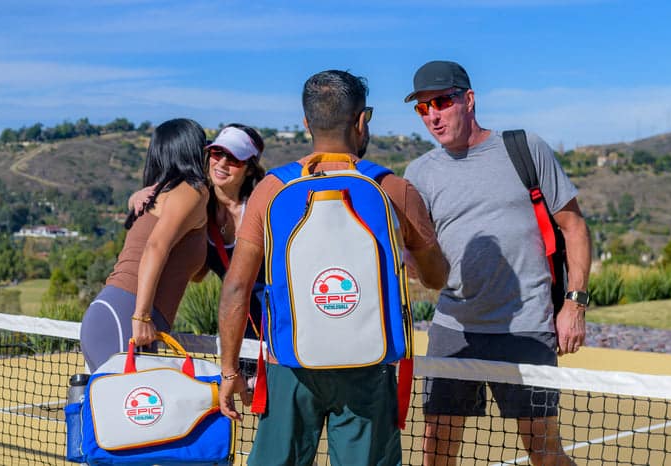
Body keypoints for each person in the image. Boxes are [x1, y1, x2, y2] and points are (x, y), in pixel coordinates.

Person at [217, 69, 450, 466]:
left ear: (307, 123)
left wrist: (227, 371)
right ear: (362, 121)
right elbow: (436, 277)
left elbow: (237, 289)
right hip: (368, 369)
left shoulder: (270, 191)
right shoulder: (394, 190)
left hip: (289, 367)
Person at [402, 61, 592, 466]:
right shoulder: (418, 173)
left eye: (440, 102)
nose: (432, 115)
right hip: (453, 331)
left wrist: (573, 305)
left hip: (526, 330)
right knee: (435, 448)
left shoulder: (525, 148)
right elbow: (415, 256)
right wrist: (415, 265)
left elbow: (573, 227)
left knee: (543, 450)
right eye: (422, 108)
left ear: (468, 100)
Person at [80, 118, 209, 373]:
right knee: (121, 408)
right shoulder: (193, 191)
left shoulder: (175, 194)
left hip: (123, 314)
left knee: (129, 410)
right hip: (127, 314)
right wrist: (141, 316)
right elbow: (155, 247)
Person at [129, 123, 267, 340]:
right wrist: (135, 198)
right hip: (240, 331)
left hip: (277, 325)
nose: (222, 163)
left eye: (233, 158)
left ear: (249, 168)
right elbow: (198, 274)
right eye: (217, 152)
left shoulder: (261, 207)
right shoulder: (198, 206)